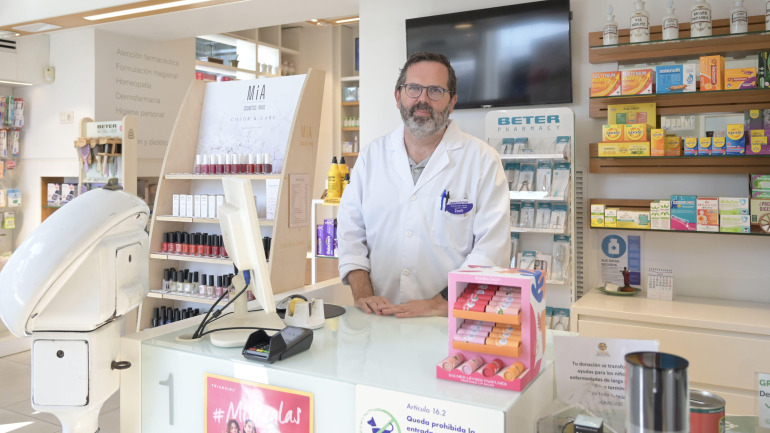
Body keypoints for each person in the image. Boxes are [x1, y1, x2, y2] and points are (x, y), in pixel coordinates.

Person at [337, 51, 510, 318]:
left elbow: (491, 249)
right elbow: (350, 230)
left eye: (436, 91)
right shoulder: (372, 156)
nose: (423, 99)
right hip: (380, 320)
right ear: (398, 97)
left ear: (452, 102)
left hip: (449, 323)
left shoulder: (482, 160)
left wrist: (439, 304)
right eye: (414, 88)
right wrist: (364, 295)